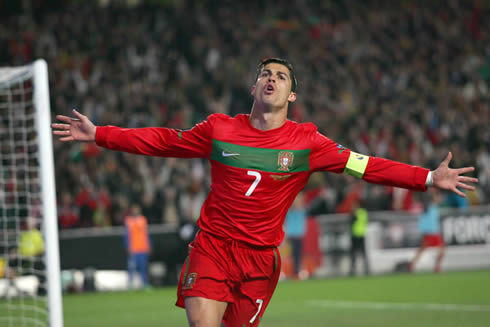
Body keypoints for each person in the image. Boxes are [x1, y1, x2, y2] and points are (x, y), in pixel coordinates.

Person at [52, 57, 478, 327]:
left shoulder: (308, 142)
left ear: (292, 94)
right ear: (254, 89)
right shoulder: (219, 129)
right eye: (264, 75)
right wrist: (102, 135)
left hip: (259, 260)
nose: (271, 79)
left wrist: (426, 177)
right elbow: (165, 140)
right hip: (213, 246)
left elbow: (365, 166)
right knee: (203, 321)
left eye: (280, 76)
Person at [409, 189, 445, 273]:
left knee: (423, 249)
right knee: (442, 250)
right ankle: (437, 267)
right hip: (432, 232)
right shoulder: (429, 206)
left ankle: (412, 265)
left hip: (431, 232)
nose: (440, 198)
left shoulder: (431, 207)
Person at [124, 204, 151, 289]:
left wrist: (148, 245)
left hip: (142, 248)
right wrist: (128, 246)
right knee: (131, 267)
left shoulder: (143, 219)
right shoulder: (128, 220)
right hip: (133, 248)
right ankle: (130, 284)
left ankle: (145, 284)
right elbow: (126, 235)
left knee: (144, 267)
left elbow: (146, 234)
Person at [283, 191, 307, 280]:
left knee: (298, 254)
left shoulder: (302, 209)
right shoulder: (290, 210)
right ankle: (293, 271)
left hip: (299, 235)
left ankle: (296, 271)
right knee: (292, 254)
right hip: (292, 235)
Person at [349, 199, 370, 276]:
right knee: (363, 254)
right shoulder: (364, 213)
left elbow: (351, 222)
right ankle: (367, 269)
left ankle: (352, 270)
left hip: (355, 235)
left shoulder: (355, 213)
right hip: (362, 234)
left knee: (353, 254)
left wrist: (352, 212)